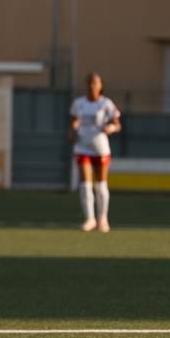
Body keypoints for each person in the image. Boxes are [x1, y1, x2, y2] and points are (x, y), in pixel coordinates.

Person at [69, 72, 122, 232]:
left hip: (100, 148)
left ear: (101, 85)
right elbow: (74, 122)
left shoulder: (106, 104)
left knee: (101, 185)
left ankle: (103, 218)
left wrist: (110, 128)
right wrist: (73, 129)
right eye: (90, 83)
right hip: (82, 147)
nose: (93, 86)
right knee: (85, 184)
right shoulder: (79, 103)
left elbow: (117, 124)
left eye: (96, 83)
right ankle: (90, 219)